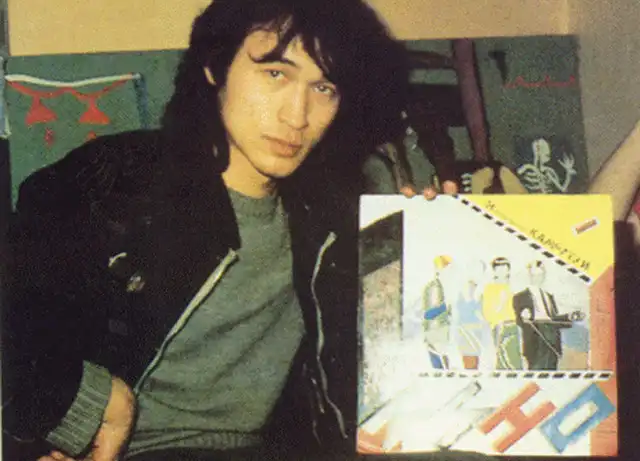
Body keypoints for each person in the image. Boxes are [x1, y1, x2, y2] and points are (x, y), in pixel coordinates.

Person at [1, 1, 425, 460]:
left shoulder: (335, 214)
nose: (297, 116)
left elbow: (396, 363)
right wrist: (84, 405)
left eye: (323, 88)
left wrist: (451, 230)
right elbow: (18, 317)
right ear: (214, 67)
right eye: (275, 74)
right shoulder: (112, 182)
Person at [513, 261, 585, 370]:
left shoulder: (549, 296)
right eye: (534, 275)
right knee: (536, 374)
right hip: (536, 343)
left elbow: (552, 320)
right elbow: (519, 321)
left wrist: (569, 316)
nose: (538, 278)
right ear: (529, 275)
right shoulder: (520, 296)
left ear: (544, 276)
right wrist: (523, 316)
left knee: (552, 373)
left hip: (552, 342)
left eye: (540, 275)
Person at [480, 257, 522, 370]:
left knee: (515, 360)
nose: (502, 272)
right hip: (500, 327)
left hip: (514, 326)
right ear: (494, 272)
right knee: (503, 360)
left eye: (505, 269)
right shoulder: (490, 289)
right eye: (499, 269)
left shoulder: (512, 287)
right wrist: (501, 302)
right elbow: (488, 314)